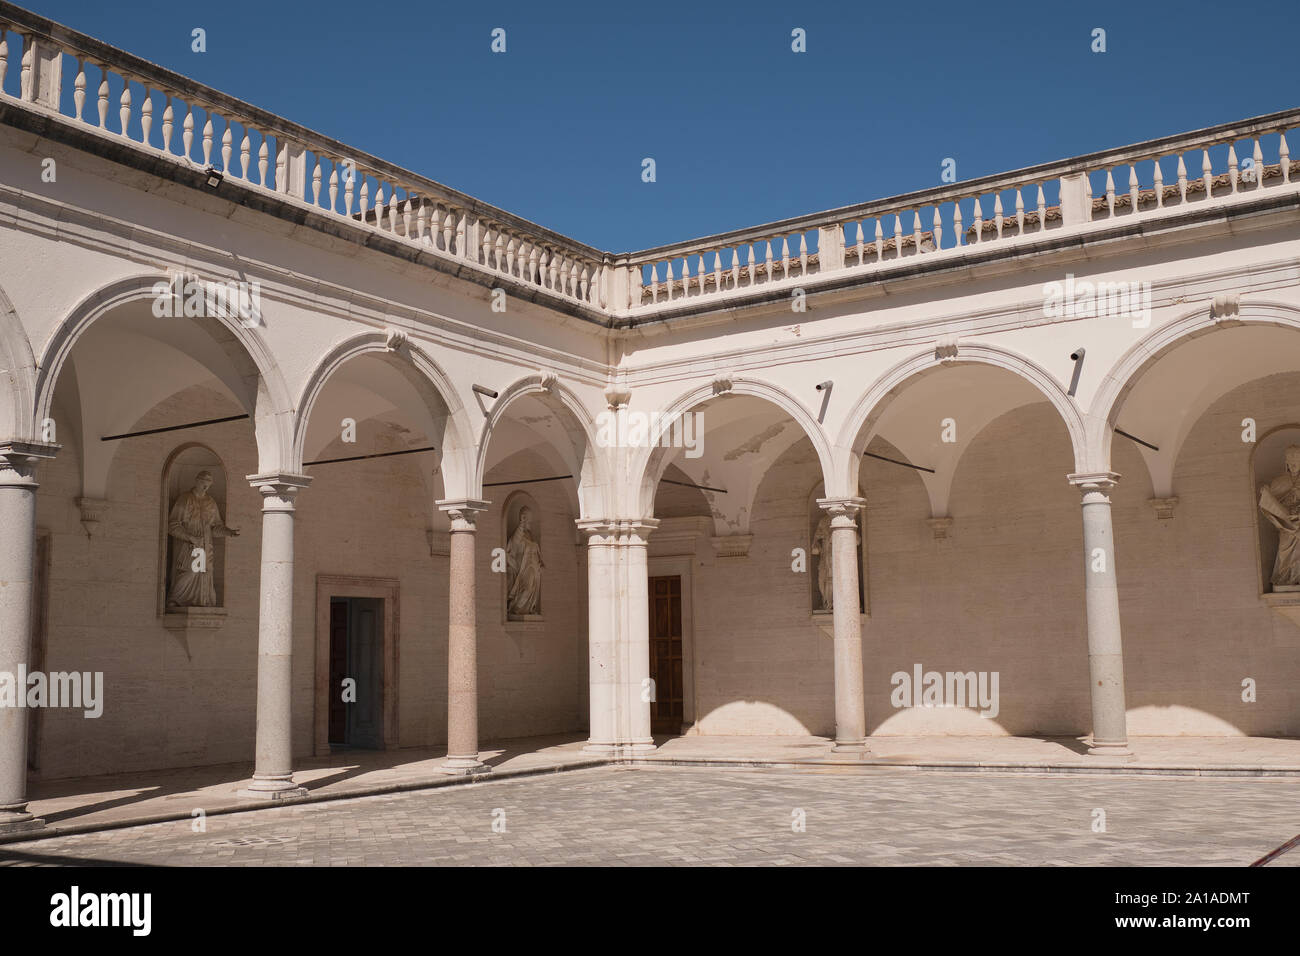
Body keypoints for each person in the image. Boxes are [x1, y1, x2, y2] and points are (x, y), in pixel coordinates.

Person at [167, 470, 238, 607]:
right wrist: (190, 537)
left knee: (205, 573)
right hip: (189, 545)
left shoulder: (211, 503)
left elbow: (215, 527)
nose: (205, 487)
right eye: (203, 483)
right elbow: (172, 525)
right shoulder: (185, 499)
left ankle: (202, 601)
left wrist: (228, 532)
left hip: (205, 546)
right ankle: (175, 599)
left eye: (208, 484)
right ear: (197, 481)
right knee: (190, 571)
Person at [506, 506, 544, 616]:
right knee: (526, 588)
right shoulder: (519, 532)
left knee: (532, 588)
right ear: (523, 518)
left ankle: (529, 608)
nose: (530, 523)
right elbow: (514, 545)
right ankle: (517, 608)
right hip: (523, 569)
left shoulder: (530, 535)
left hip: (533, 568)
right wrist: (521, 526)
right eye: (529, 520)